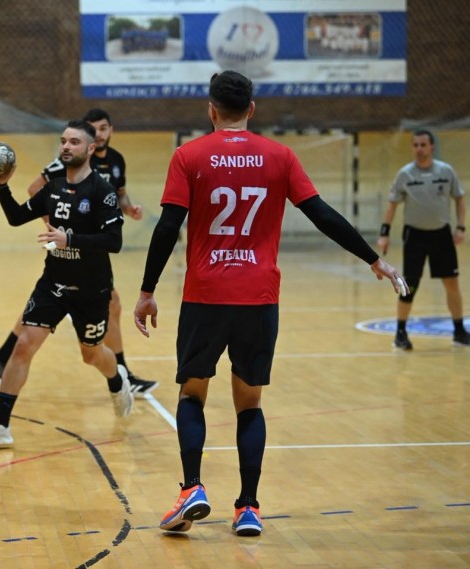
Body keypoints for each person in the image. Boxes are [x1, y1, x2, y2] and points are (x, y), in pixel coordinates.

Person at [132, 71, 409, 537]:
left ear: (211, 109)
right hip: (259, 297)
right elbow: (321, 214)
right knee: (249, 405)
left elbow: (167, 227)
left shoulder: (188, 156)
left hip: (206, 295)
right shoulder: (280, 156)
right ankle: (249, 508)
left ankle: (192, 489)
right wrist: (373, 259)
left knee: (192, 393)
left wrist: (146, 290)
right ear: (253, 109)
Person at [0, 119, 134, 451]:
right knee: (23, 346)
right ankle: (1, 425)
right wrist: (1, 186)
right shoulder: (54, 188)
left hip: (92, 289)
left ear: (90, 149)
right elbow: (17, 217)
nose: (65, 146)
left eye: (74, 142)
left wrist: (69, 238)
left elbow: (114, 241)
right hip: (54, 283)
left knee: (91, 355)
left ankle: (117, 381)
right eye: (63, 141)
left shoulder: (101, 191)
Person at [0, 108, 159, 397]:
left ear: (109, 131)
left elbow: (118, 201)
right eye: (93, 128)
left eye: (104, 128)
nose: (99, 133)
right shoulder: (64, 166)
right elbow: (35, 192)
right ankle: (122, 375)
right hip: (69, 252)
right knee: (65, 310)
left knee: (108, 311)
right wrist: (58, 228)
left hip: (92, 257)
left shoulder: (115, 162)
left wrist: (128, 208)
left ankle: (119, 376)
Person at [376, 129, 468, 350]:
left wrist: (461, 227)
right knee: (410, 285)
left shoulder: (446, 172)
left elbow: (459, 200)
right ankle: (400, 332)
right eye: (415, 145)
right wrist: (384, 234)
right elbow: (392, 206)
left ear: (431, 147)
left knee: (451, 282)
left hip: (441, 234)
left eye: (423, 145)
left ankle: (459, 330)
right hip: (415, 236)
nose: (419, 149)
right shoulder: (405, 174)